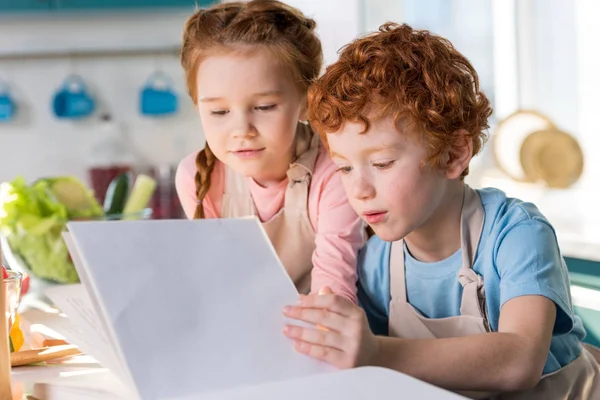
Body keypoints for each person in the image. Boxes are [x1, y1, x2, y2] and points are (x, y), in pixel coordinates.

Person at [283, 22, 600, 398]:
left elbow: (519, 360)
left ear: (453, 155)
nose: (359, 189)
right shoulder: (377, 263)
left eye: (382, 164)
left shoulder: (517, 233)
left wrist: (376, 352)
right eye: (345, 167)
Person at [175, 0, 364, 301]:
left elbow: (334, 295)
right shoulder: (197, 178)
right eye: (219, 112)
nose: (242, 130)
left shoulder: (335, 173)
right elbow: (221, 289)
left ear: (305, 101)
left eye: (264, 107)